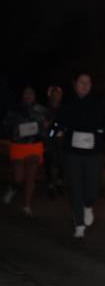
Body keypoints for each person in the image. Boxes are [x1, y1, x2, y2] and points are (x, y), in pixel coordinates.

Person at [56, 72, 105, 238]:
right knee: (75, 188)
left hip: (93, 152)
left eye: (88, 82)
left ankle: (88, 205)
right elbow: (58, 122)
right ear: (75, 84)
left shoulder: (99, 102)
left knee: (91, 189)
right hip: (72, 153)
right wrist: (56, 131)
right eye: (82, 82)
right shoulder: (68, 102)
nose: (85, 85)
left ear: (91, 85)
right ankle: (79, 224)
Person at [3, 86, 49, 216]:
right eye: (26, 93)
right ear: (22, 95)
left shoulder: (42, 110)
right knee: (19, 178)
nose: (28, 95)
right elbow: (6, 126)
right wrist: (15, 130)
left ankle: (27, 205)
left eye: (31, 93)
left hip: (34, 145)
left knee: (31, 177)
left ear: (35, 95)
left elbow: (47, 128)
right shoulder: (14, 110)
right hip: (18, 146)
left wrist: (46, 127)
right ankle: (13, 187)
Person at [43, 85, 66, 198]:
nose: (56, 96)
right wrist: (46, 125)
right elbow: (42, 123)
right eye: (54, 94)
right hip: (48, 140)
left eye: (58, 94)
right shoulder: (44, 109)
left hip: (62, 140)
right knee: (49, 163)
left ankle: (59, 183)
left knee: (62, 163)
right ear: (50, 95)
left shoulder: (64, 108)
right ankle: (50, 185)